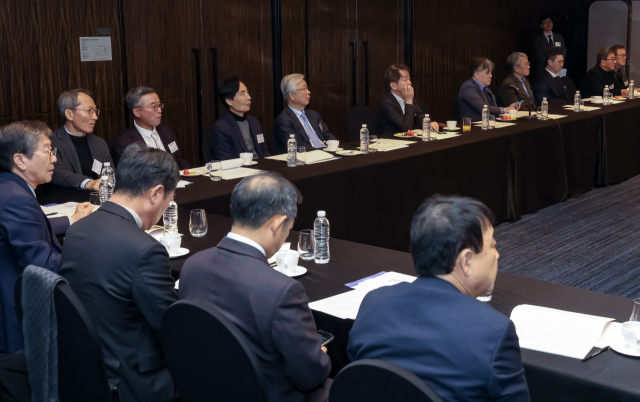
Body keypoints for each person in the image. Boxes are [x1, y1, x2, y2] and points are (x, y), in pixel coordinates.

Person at [347, 196, 530, 402]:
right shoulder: (494, 331)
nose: (497, 255)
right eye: (492, 246)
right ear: (466, 261)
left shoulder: (373, 303)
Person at [179, 173, 331, 402]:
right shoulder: (282, 290)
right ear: (276, 224)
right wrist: (320, 355)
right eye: (289, 227)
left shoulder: (192, 265)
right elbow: (309, 376)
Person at [59, 143, 180, 402]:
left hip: (85, 366)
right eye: (168, 201)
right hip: (131, 380)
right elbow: (171, 326)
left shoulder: (77, 230)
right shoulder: (145, 249)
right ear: (156, 194)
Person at [0, 121, 91, 400]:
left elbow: (29, 228)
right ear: (20, 160)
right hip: (18, 309)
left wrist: (70, 220)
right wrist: (92, 257)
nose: (54, 159)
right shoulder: (17, 199)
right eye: (48, 151)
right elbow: (43, 265)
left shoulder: (9, 186)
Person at [49, 89, 112, 191]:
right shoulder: (51, 142)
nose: (95, 117)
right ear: (69, 114)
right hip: (67, 198)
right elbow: (57, 173)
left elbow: (111, 173)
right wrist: (89, 183)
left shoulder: (99, 143)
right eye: (89, 111)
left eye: (95, 111)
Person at [113, 86, 189, 169]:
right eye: (154, 107)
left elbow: (178, 159)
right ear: (137, 112)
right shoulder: (125, 143)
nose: (160, 110)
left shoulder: (166, 131)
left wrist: (189, 174)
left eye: (159, 105)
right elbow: (133, 174)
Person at [208, 77, 271, 160]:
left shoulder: (254, 122)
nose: (249, 97)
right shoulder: (221, 128)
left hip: (262, 166)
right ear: (229, 101)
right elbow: (226, 160)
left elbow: (264, 150)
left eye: (247, 92)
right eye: (243, 94)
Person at [272, 74, 336, 155]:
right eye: (304, 89)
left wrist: (334, 146)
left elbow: (328, 136)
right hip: (309, 158)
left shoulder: (314, 115)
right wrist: (323, 152)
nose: (308, 92)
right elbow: (298, 147)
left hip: (328, 155)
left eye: (307, 88)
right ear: (292, 95)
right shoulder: (284, 120)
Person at [376, 63, 439, 135]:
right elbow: (406, 127)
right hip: (389, 139)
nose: (410, 82)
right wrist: (408, 101)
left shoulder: (408, 96)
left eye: (409, 79)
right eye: (405, 80)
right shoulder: (386, 103)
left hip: (406, 139)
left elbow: (419, 116)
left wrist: (429, 123)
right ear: (393, 85)